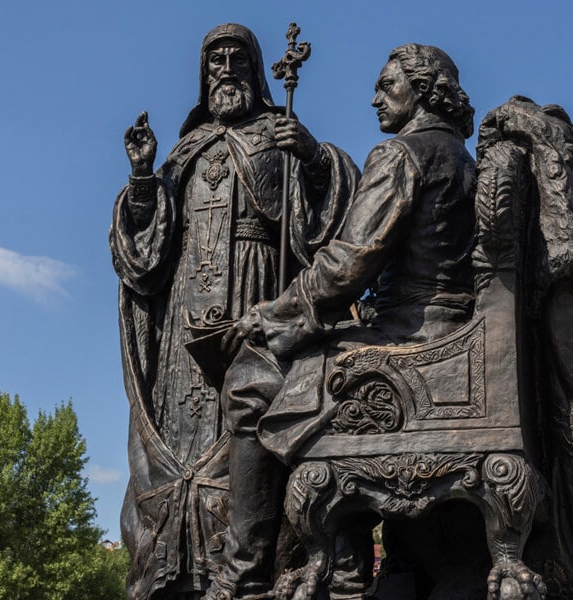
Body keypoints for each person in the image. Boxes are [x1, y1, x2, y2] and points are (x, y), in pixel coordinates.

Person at [205, 43, 477, 600]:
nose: (376, 98)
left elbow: (346, 265)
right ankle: (348, 563)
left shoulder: (403, 154)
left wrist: (270, 315)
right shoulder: (461, 158)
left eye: (387, 85)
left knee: (249, 383)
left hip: (412, 337)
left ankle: (244, 575)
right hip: (456, 334)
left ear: (422, 91)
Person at [110, 23, 358, 600]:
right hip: (183, 319)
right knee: (181, 434)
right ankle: (175, 571)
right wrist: (144, 178)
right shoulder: (184, 151)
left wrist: (316, 159)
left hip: (254, 296)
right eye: (215, 59)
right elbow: (145, 253)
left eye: (237, 58)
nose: (226, 68)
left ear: (255, 69)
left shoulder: (278, 134)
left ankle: (248, 570)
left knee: (245, 425)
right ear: (203, 75)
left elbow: (331, 222)